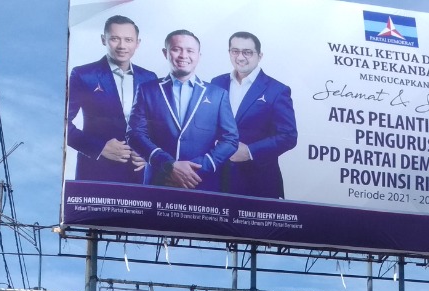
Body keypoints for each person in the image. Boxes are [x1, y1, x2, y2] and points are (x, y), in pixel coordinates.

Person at [129, 30, 238, 192]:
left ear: (199, 56)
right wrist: (169, 165)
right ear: (165, 53)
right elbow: (135, 134)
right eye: (176, 49)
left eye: (190, 50)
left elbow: (230, 139)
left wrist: (198, 168)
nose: (183, 55)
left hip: (201, 182)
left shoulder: (217, 94)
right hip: (159, 182)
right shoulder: (147, 90)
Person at [65, 15, 158, 183]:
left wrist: (149, 153)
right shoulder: (83, 75)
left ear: (137, 43)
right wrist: (99, 148)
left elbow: (157, 125)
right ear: (103, 40)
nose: (122, 46)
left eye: (128, 40)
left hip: (139, 176)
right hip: (95, 173)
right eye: (115, 39)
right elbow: (62, 123)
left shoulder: (149, 78)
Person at [210, 32, 298, 198]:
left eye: (247, 52)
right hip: (216, 179)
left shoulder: (277, 90)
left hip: (258, 182)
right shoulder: (217, 83)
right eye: (235, 51)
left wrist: (250, 151)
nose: (240, 57)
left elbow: (289, 136)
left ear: (260, 56)